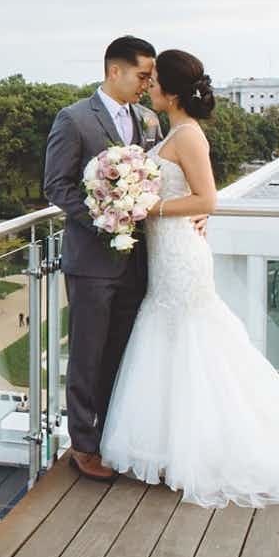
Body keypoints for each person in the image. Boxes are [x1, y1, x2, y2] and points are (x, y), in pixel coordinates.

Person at [99, 49, 279, 507]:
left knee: (195, 343)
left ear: (171, 92)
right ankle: (171, 449)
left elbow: (207, 199)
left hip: (180, 253)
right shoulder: (167, 130)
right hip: (165, 252)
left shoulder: (189, 136)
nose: (148, 87)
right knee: (168, 342)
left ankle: (201, 452)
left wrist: (146, 207)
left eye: (154, 81)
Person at [43, 35, 162, 481]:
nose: (147, 84)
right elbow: (56, 185)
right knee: (88, 355)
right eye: (142, 75)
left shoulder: (149, 121)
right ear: (116, 70)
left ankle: (113, 435)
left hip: (138, 260)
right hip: (92, 260)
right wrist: (105, 218)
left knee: (123, 352)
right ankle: (84, 446)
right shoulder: (73, 119)